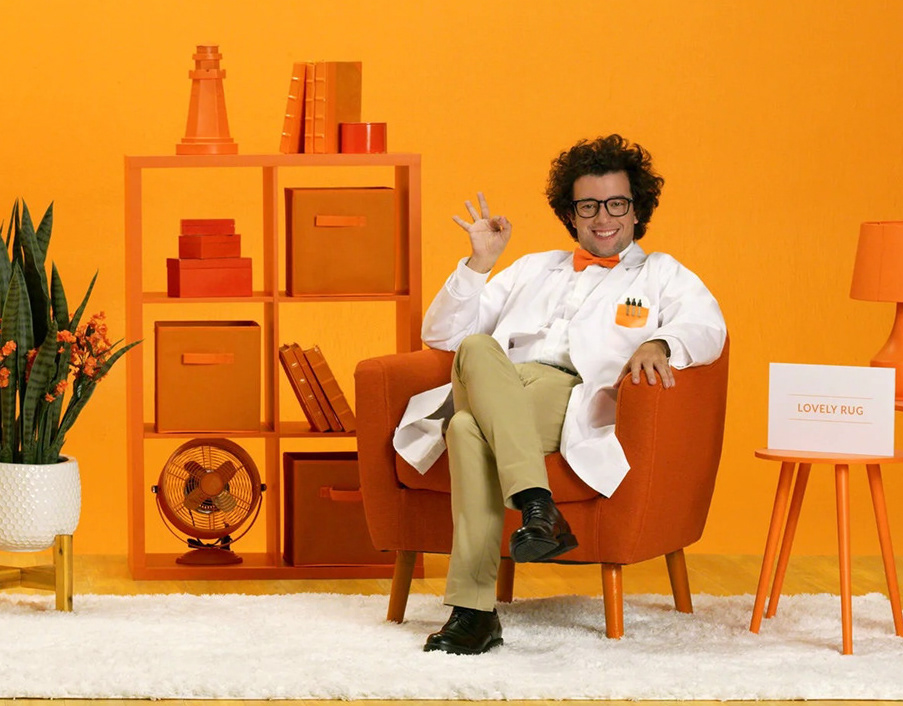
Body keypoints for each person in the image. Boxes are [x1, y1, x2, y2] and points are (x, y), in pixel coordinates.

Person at [393, 134, 727, 655]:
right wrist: (479, 264)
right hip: (500, 380)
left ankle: (473, 614)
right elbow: (441, 335)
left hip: (571, 394)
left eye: (616, 204)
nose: (603, 218)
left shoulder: (662, 274)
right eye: (588, 206)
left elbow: (708, 329)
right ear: (571, 214)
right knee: (476, 346)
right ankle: (538, 505)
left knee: (464, 427)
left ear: (637, 209)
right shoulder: (532, 267)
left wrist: (661, 341)